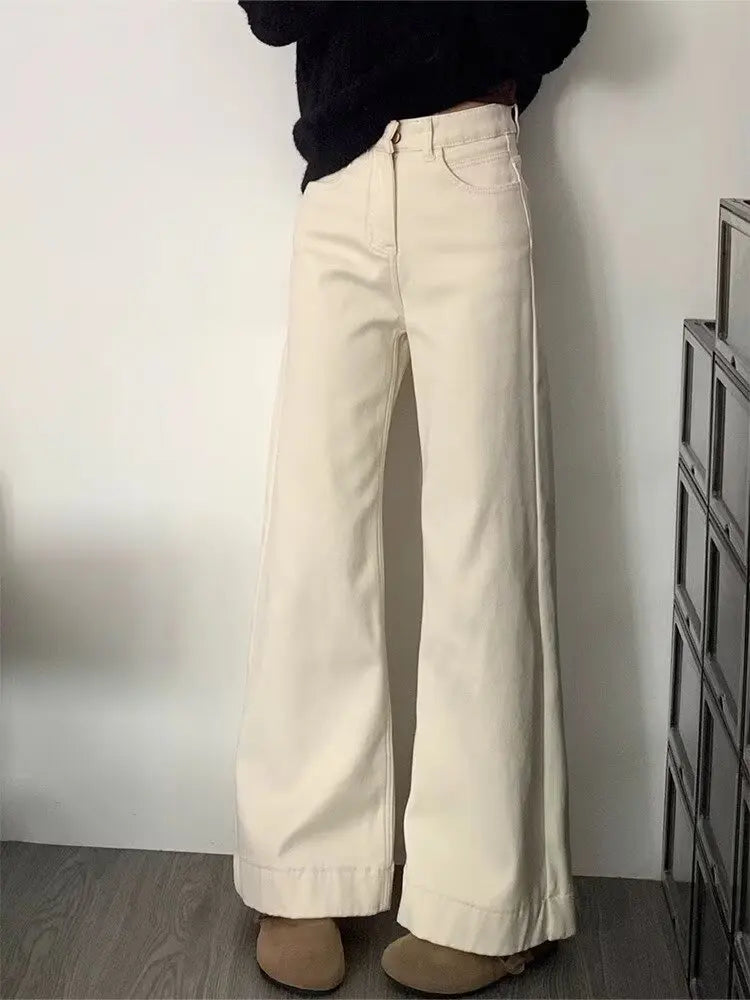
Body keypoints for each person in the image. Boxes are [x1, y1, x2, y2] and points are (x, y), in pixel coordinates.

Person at [233, 2, 589, 994]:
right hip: (339, 183)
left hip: (470, 164)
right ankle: (302, 874)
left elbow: (552, 20)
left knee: (487, 538)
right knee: (314, 539)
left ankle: (486, 900)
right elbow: (270, 14)